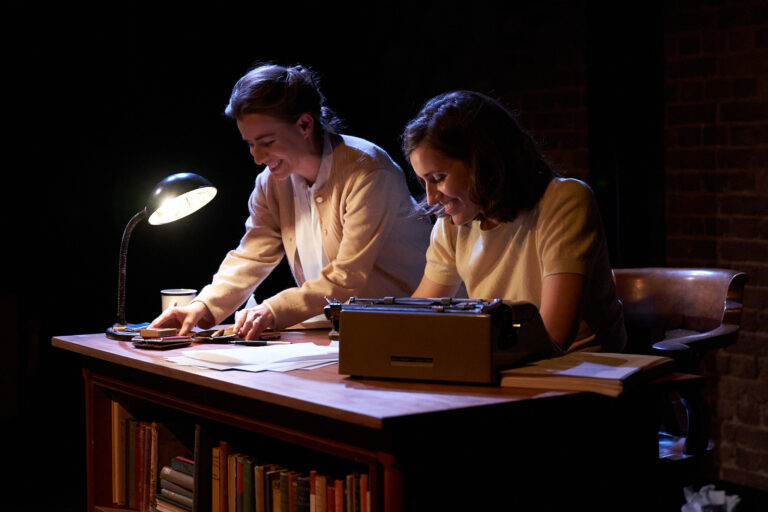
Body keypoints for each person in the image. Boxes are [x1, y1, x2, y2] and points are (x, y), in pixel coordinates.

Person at [151, 63, 431, 339]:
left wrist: (272, 310)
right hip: (341, 330)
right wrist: (203, 305)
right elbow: (252, 254)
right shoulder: (270, 183)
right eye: (250, 144)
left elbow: (347, 277)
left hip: (412, 327)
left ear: (305, 124)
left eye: (268, 142)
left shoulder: (368, 171)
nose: (258, 157)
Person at [402, 90, 626, 352]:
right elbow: (417, 317)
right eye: (424, 181)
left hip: (581, 372)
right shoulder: (450, 223)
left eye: (439, 178)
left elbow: (552, 336)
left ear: (482, 162)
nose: (430, 198)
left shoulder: (565, 200)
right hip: (506, 364)